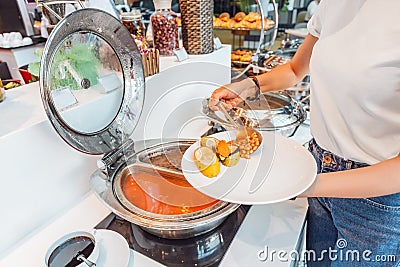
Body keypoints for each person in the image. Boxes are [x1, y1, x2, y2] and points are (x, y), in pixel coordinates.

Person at [209, 1, 400, 266]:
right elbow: (295, 69)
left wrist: (299, 185)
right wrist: (250, 86)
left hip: (374, 205)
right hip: (319, 167)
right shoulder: (334, 4)